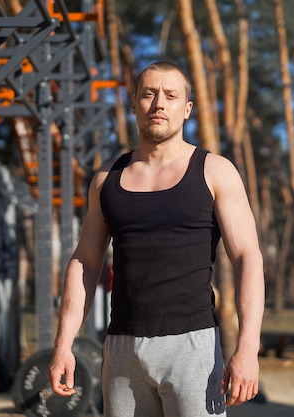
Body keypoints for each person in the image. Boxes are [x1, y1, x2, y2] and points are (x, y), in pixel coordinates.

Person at [48, 60, 265, 417]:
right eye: (148, 94)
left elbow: (248, 257)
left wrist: (248, 347)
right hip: (122, 348)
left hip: (191, 346)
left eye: (170, 95)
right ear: (134, 104)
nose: (159, 103)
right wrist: (63, 345)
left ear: (187, 109)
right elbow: (85, 262)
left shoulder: (214, 171)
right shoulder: (107, 178)